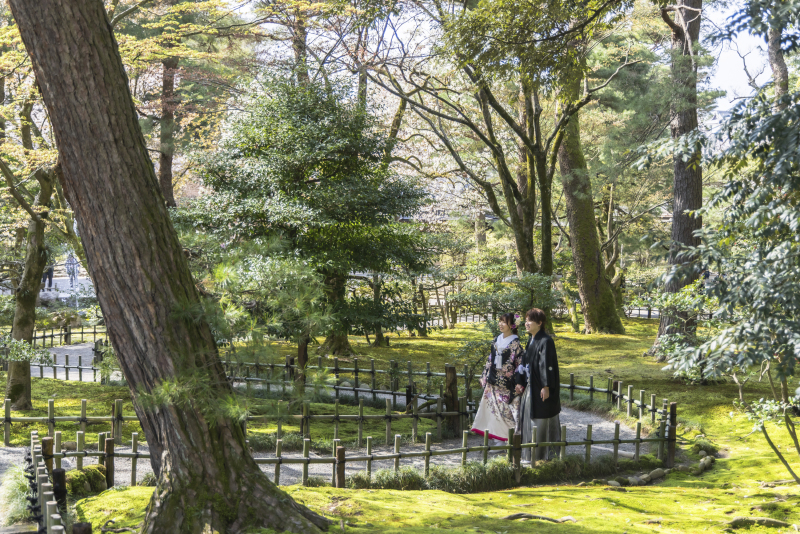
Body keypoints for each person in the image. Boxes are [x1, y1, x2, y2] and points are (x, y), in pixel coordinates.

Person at [471, 313, 525, 446]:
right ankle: (497, 439)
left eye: (504, 322)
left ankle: (508, 440)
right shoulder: (496, 340)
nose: (500, 324)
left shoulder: (516, 343)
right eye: (500, 321)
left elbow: (519, 365)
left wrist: (519, 382)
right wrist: (484, 375)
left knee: (507, 413)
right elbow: (490, 359)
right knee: (493, 411)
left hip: (508, 384)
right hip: (493, 380)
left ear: (512, 325)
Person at [515, 308, 561, 462]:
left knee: (542, 418)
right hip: (530, 387)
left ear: (540, 323)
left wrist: (546, 386)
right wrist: (519, 381)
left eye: (530, 321)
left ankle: (545, 455)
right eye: (526, 320)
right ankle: (529, 454)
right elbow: (525, 364)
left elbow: (547, 365)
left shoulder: (546, 341)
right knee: (528, 418)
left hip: (540, 388)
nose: (526, 324)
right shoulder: (532, 340)